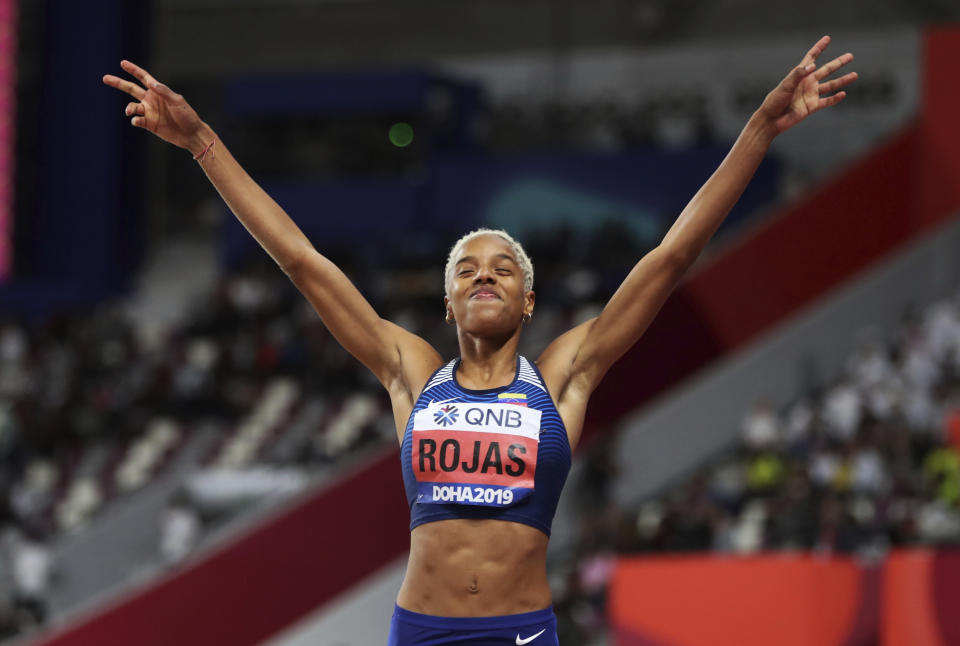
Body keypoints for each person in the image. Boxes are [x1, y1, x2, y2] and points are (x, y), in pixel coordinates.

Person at [104, 35, 856, 646]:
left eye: (503, 267)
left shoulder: (563, 376)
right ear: (448, 300)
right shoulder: (411, 373)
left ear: (529, 299)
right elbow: (303, 260)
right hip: (421, 631)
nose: (484, 275)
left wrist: (757, 131)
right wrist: (203, 142)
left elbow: (669, 259)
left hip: (520, 633)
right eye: (467, 269)